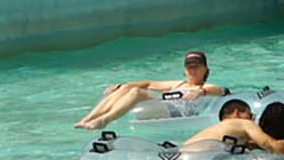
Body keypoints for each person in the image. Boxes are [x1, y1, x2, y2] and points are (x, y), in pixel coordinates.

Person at [74, 50, 227, 130]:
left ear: (205, 68)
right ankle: (87, 119)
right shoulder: (178, 84)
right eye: (189, 66)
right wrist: (121, 85)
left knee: (136, 93)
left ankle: (104, 120)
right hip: (162, 107)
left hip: (176, 113)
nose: (192, 70)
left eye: (196, 66)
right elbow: (147, 84)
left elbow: (222, 90)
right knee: (129, 88)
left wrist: (201, 92)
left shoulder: (205, 87)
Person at [185, 98, 284, 154]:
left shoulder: (219, 130)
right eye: (250, 115)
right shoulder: (244, 123)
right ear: (237, 113)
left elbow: (251, 145)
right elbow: (276, 148)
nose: (252, 120)